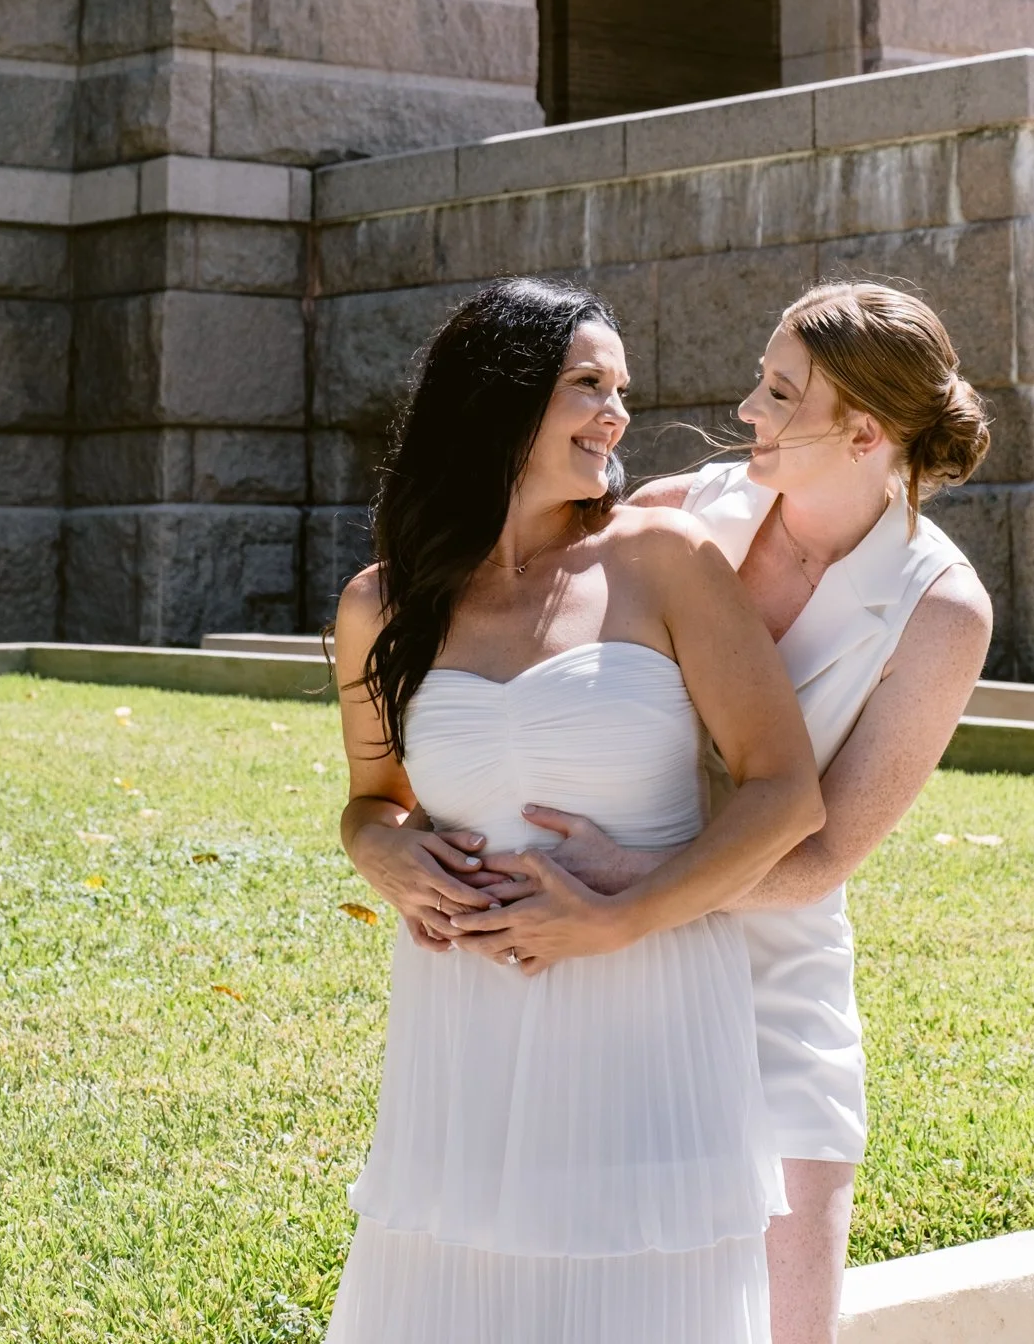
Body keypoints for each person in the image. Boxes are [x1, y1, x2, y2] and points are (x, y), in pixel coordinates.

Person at [454, 281, 993, 1344]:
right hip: (603, 966)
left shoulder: (939, 607)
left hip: (771, 988)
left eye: (780, 391)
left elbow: (823, 852)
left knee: (787, 1327)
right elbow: (509, 623)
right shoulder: (680, 510)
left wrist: (637, 882)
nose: (746, 407)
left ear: (865, 433)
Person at [325, 276, 825, 1344]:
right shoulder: (384, 603)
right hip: (461, 1038)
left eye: (621, 388)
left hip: (646, 1019)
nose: (617, 413)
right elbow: (372, 802)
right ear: (496, 399)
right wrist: (386, 855)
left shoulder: (662, 561)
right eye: (587, 384)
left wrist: (618, 916)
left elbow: (784, 789)